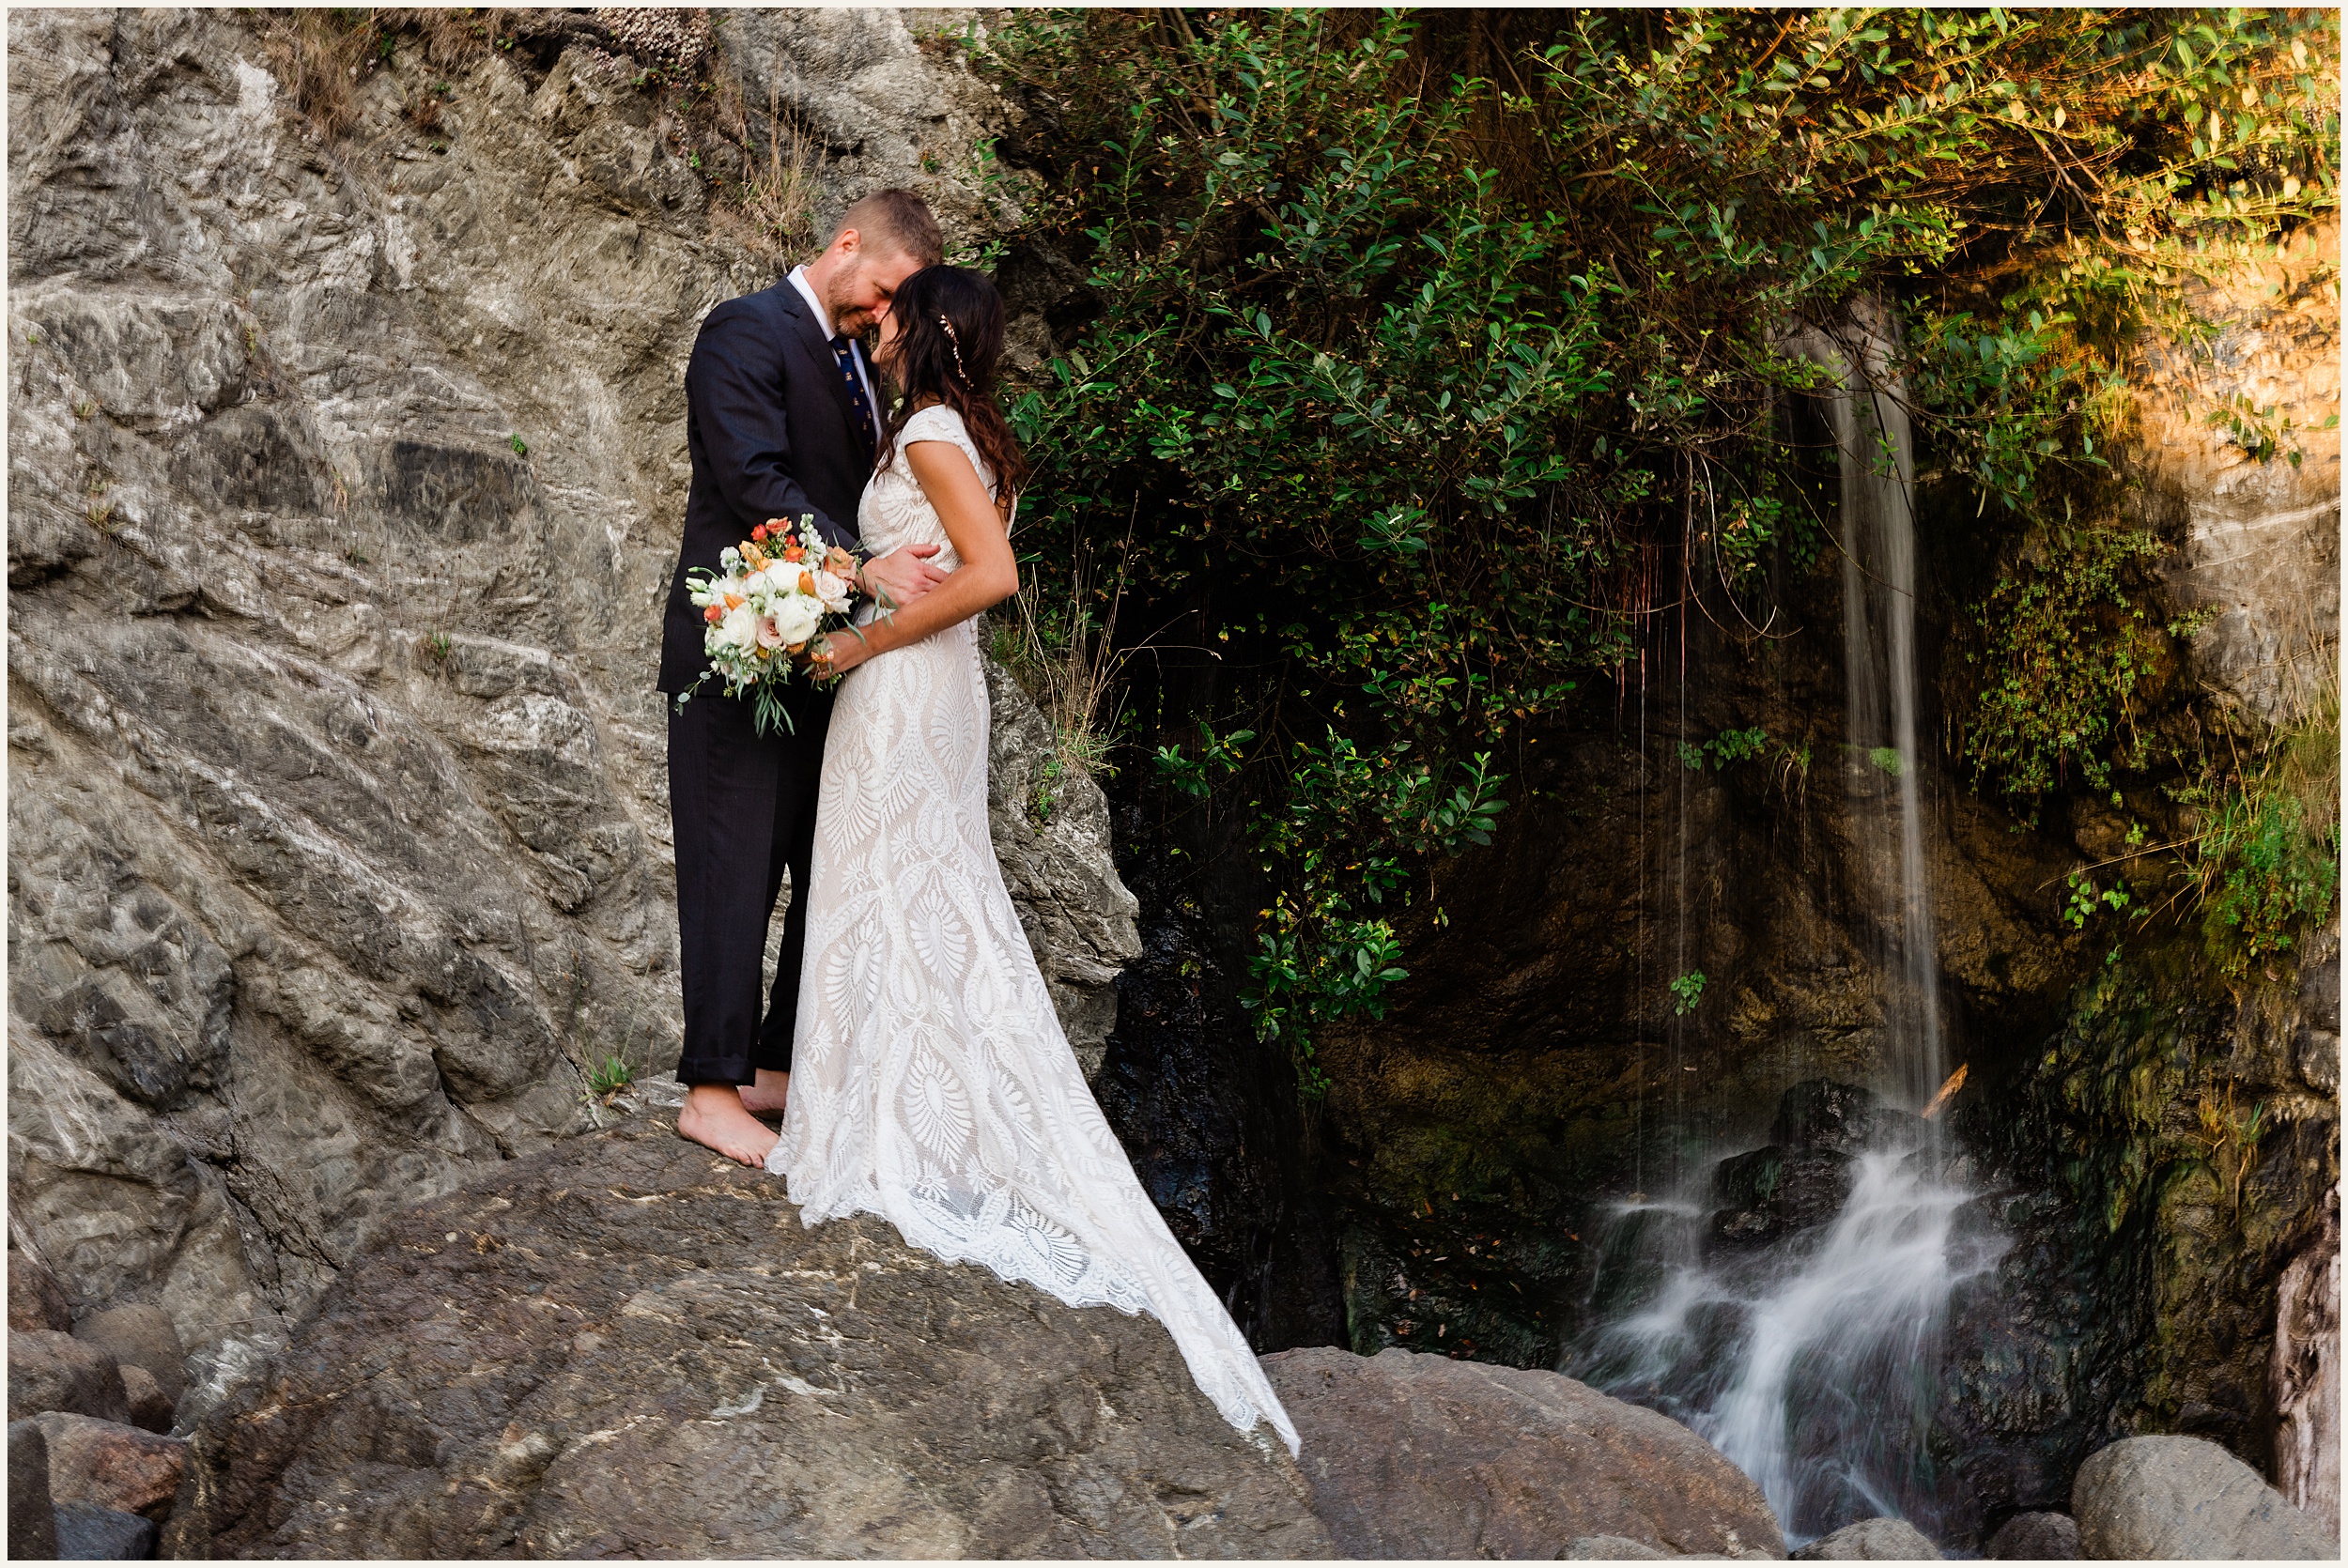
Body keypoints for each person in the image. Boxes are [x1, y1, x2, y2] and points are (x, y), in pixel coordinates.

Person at [767, 264, 1301, 1453]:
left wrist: (855, 647)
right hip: (925, 690)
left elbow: (989, 577)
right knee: (900, 892)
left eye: (892, 315)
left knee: (900, 884)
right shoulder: (953, 430)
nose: (876, 326)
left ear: (926, 327)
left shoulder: (937, 432)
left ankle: (899, 1123)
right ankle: (884, 1096)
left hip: (906, 686)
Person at [659, 191, 950, 1168]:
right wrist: (862, 570)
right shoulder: (745, 329)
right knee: (731, 861)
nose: (883, 316)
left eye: (898, 307)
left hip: (824, 656)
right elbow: (755, 481)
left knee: (812, 859)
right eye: (880, 292)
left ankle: (772, 1065)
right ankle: (709, 1088)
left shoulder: (869, 371)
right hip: (738, 643)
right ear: (845, 243)